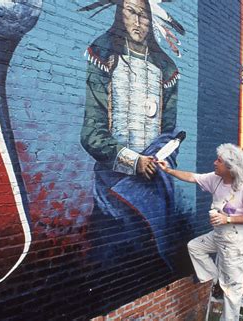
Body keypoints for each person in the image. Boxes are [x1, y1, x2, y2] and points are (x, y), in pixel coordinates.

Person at [79, 0, 184, 269]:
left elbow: (169, 136)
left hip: (153, 189)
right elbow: (92, 134)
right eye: (131, 12)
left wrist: (161, 161)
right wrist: (135, 162)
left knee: (151, 266)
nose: (138, 22)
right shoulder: (103, 55)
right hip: (112, 191)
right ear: (119, 13)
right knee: (108, 266)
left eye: (144, 16)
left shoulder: (166, 70)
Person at [156, 143, 243, 321]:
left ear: (230, 167)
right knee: (195, 247)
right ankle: (217, 281)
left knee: (232, 292)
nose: (214, 163)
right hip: (218, 236)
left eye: (219, 161)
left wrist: (227, 219)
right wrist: (168, 171)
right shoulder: (215, 179)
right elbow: (192, 177)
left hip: (235, 242)